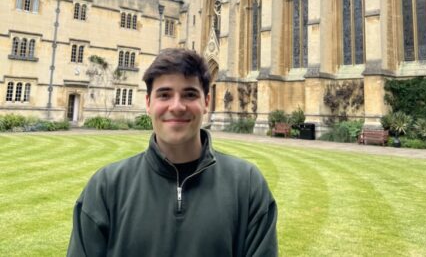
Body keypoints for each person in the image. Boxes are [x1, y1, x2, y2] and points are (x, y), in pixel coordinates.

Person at [67, 48, 278, 257]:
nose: (177, 106)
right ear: (148, 103)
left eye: (189, 94)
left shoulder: (247, 185)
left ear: (206, 102)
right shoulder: (106, 187)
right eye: (165, 94)